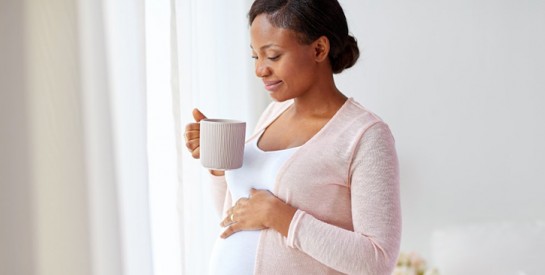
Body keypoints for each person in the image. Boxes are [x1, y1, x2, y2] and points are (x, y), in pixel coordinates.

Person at [184, 0, 401, 274]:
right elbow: (234, 219)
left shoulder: (365, 136)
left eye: (272, 56)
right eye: (255, 57)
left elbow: (378, 261)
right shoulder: (272, 114)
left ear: (319, 49)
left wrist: (281, 216)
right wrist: (217, 165)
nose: (260, 69)